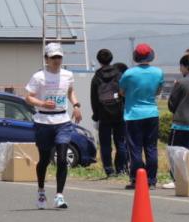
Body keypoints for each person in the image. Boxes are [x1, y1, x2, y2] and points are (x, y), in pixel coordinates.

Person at [24, 43, 82, 209]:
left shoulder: (68, 75)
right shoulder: (39, 76)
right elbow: (28, 97)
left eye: (59, 57)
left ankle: (59, 196)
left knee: (62, 159)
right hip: (43, 121)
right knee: (44, 160)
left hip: (62, 120)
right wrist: (42, 103)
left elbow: (70, 91)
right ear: (46, 59)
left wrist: (76, 105)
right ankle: (41, 192)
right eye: (53, 57)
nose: (56, 60)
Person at [119, 43, 164, 190]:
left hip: (133, 115)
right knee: (151, 148)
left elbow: (121, 92)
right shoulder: (158, 72)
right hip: (152, 113)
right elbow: (158, 91)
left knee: (135, 149)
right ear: (151, 56)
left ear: (136, 57)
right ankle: (151, 180)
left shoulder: (129, 73)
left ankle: (136, 179)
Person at [89, 48, 129, 178]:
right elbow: (124, 93)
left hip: (103, 114)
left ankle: (109, 170)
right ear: (111, 58)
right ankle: (121, 168)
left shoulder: (96, 77)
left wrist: (96, 115)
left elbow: (94, 98)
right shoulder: (119, 74)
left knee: (105, 144)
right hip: (119, 113)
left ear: (98, 60)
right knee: (120, 142)